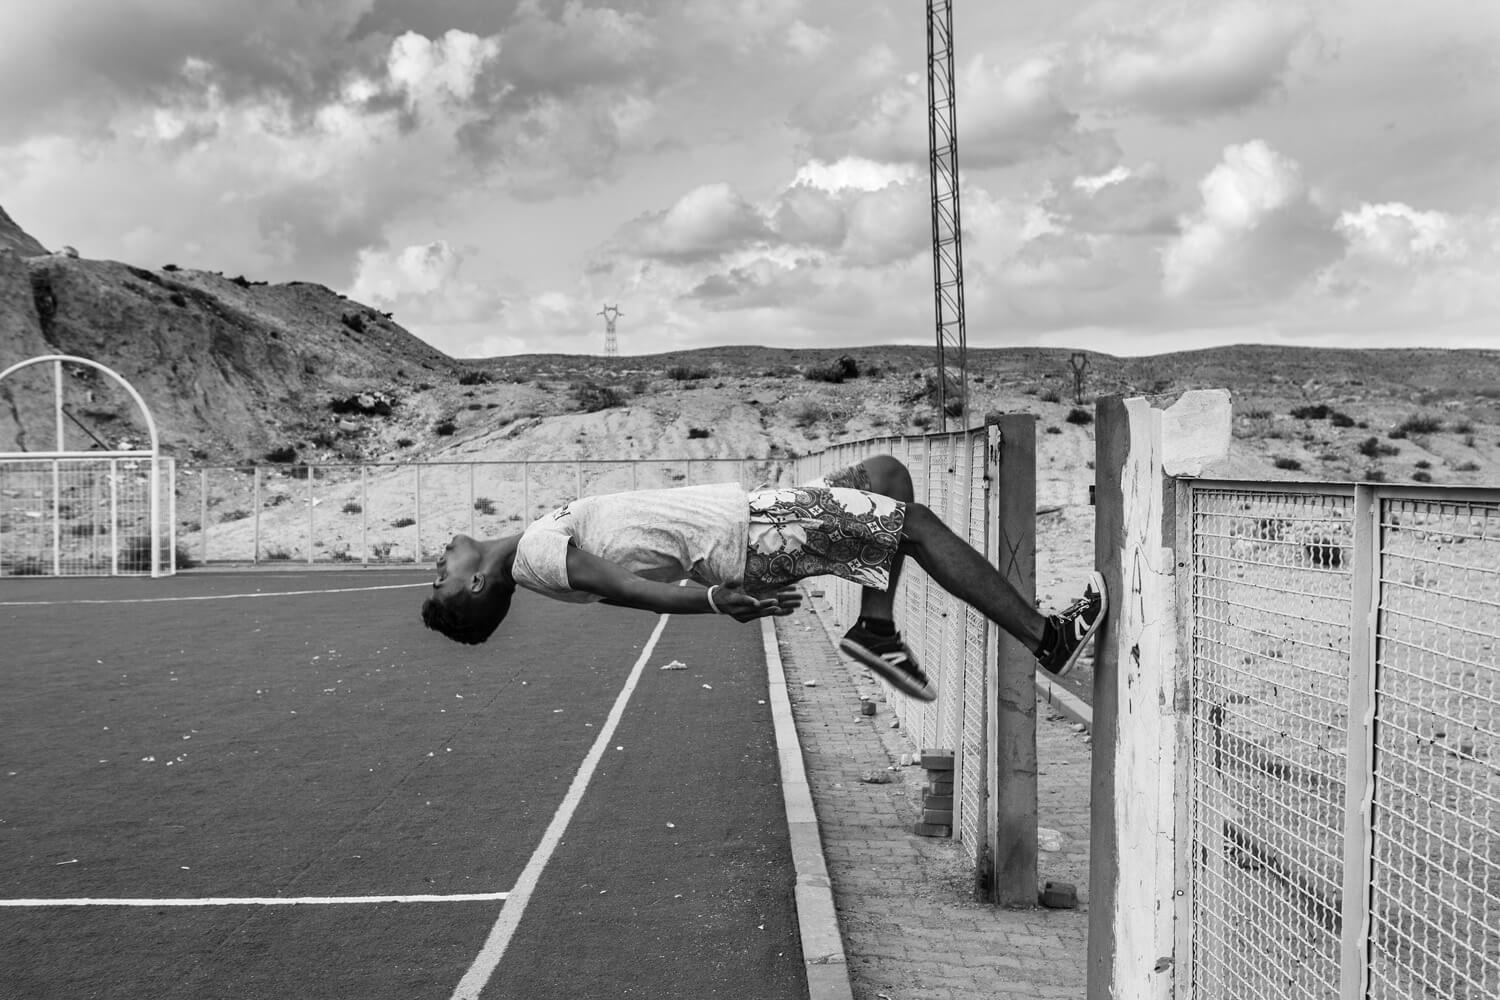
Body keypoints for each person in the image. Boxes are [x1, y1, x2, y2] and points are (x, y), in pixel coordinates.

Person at [421, 455, 1106, 702]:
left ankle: (875, 627)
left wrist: (713, 596)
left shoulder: (534, 553)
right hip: (747, 534)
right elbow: (633, 592)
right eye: (438, 583)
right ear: (475, 587)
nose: (436, 568)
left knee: (886, 480)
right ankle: (1046, 638)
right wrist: (718, 598)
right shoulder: (534, 556)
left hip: (752, 518)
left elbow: (629, 586)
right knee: (914, 524)